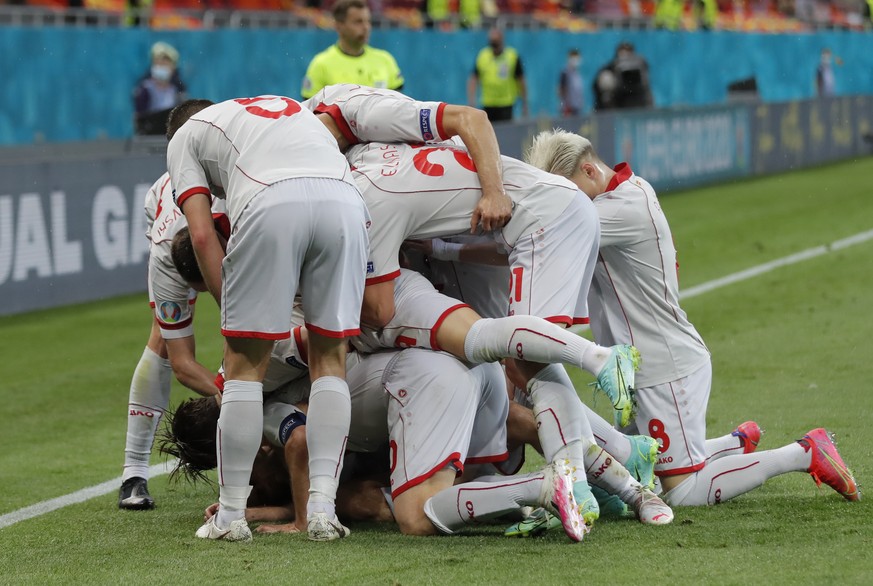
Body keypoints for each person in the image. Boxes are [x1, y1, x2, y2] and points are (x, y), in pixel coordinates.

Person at [526, 128, 861, 506]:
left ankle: (804, 452)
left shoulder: (621, 208)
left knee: (683, 492)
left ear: (588, 171)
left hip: (664, 368)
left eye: (568, 194)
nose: (569, 205)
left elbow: (543, 234)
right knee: (634, 466)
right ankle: (734, 445)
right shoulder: (628, 191)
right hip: (641, 365)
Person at [165, 96, 370, 543]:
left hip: (272, 200)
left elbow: (201, 234)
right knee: (329, 360)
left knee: (242, 369)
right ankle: (321, 510)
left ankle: (231, 516)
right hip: (346, 203)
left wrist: (233, 311)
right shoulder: (284, 109)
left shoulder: (185, 137)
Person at [117, 172, 223, 511]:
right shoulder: (167, 259)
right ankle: (133, 472)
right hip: (167, 210)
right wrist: (238, 396)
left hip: (228, 217)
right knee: (163, 340)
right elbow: (183, 365)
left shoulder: (246, 216)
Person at [302, 83, 513, 232]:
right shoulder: (306, 114)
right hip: (422, 193)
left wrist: (494, 193)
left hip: (479, 190)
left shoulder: (371, 115)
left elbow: (472, 118)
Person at [300, 0, 404, 100]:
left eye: (368, 21)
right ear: (338, 26)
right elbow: (310, 111)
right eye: (358, 22)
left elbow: (398, 107)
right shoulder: (320, 64)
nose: (366, 27)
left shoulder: (385, 60)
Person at [467, 27, 528, 122]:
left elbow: (521, 80)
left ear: (502, 40)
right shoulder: (483, 56)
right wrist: (472, 101)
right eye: (492, 42)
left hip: (506, 103)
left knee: (506, 133)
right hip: (488, 102)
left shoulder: (512, 56)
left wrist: (524, 102)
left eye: (496, 42)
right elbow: (474, 79)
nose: (494, 46)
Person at [132, 42, 186, 136]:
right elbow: (140, 121)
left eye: (165, 64)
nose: (161, 67)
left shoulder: (177, 92)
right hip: (149, 139)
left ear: (173, 67)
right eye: (158, 63)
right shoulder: (144, 90)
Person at [609, 42, 653, 110]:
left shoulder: (640, 63)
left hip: (641, 100)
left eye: (629, 54)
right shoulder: (612, 67)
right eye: (623, 55)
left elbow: (645, 84)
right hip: (621, 103)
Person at [558, 49, 584, 117]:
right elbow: (561, 90)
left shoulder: (577, 74)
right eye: (574, 58)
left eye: (577, 58)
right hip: (568, 109)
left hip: (576, 108)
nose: (576, 61)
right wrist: (565, 106)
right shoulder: (565, 73)